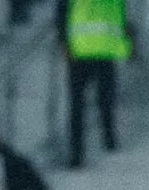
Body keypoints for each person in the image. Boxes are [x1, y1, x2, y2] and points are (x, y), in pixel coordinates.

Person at [60, 0, 128, 168]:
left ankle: (77, 153)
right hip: (105, 47)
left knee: (77, 105)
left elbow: (62, 10)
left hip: (79, 49)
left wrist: (63, 40)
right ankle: (109, 137)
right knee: (105, 97)